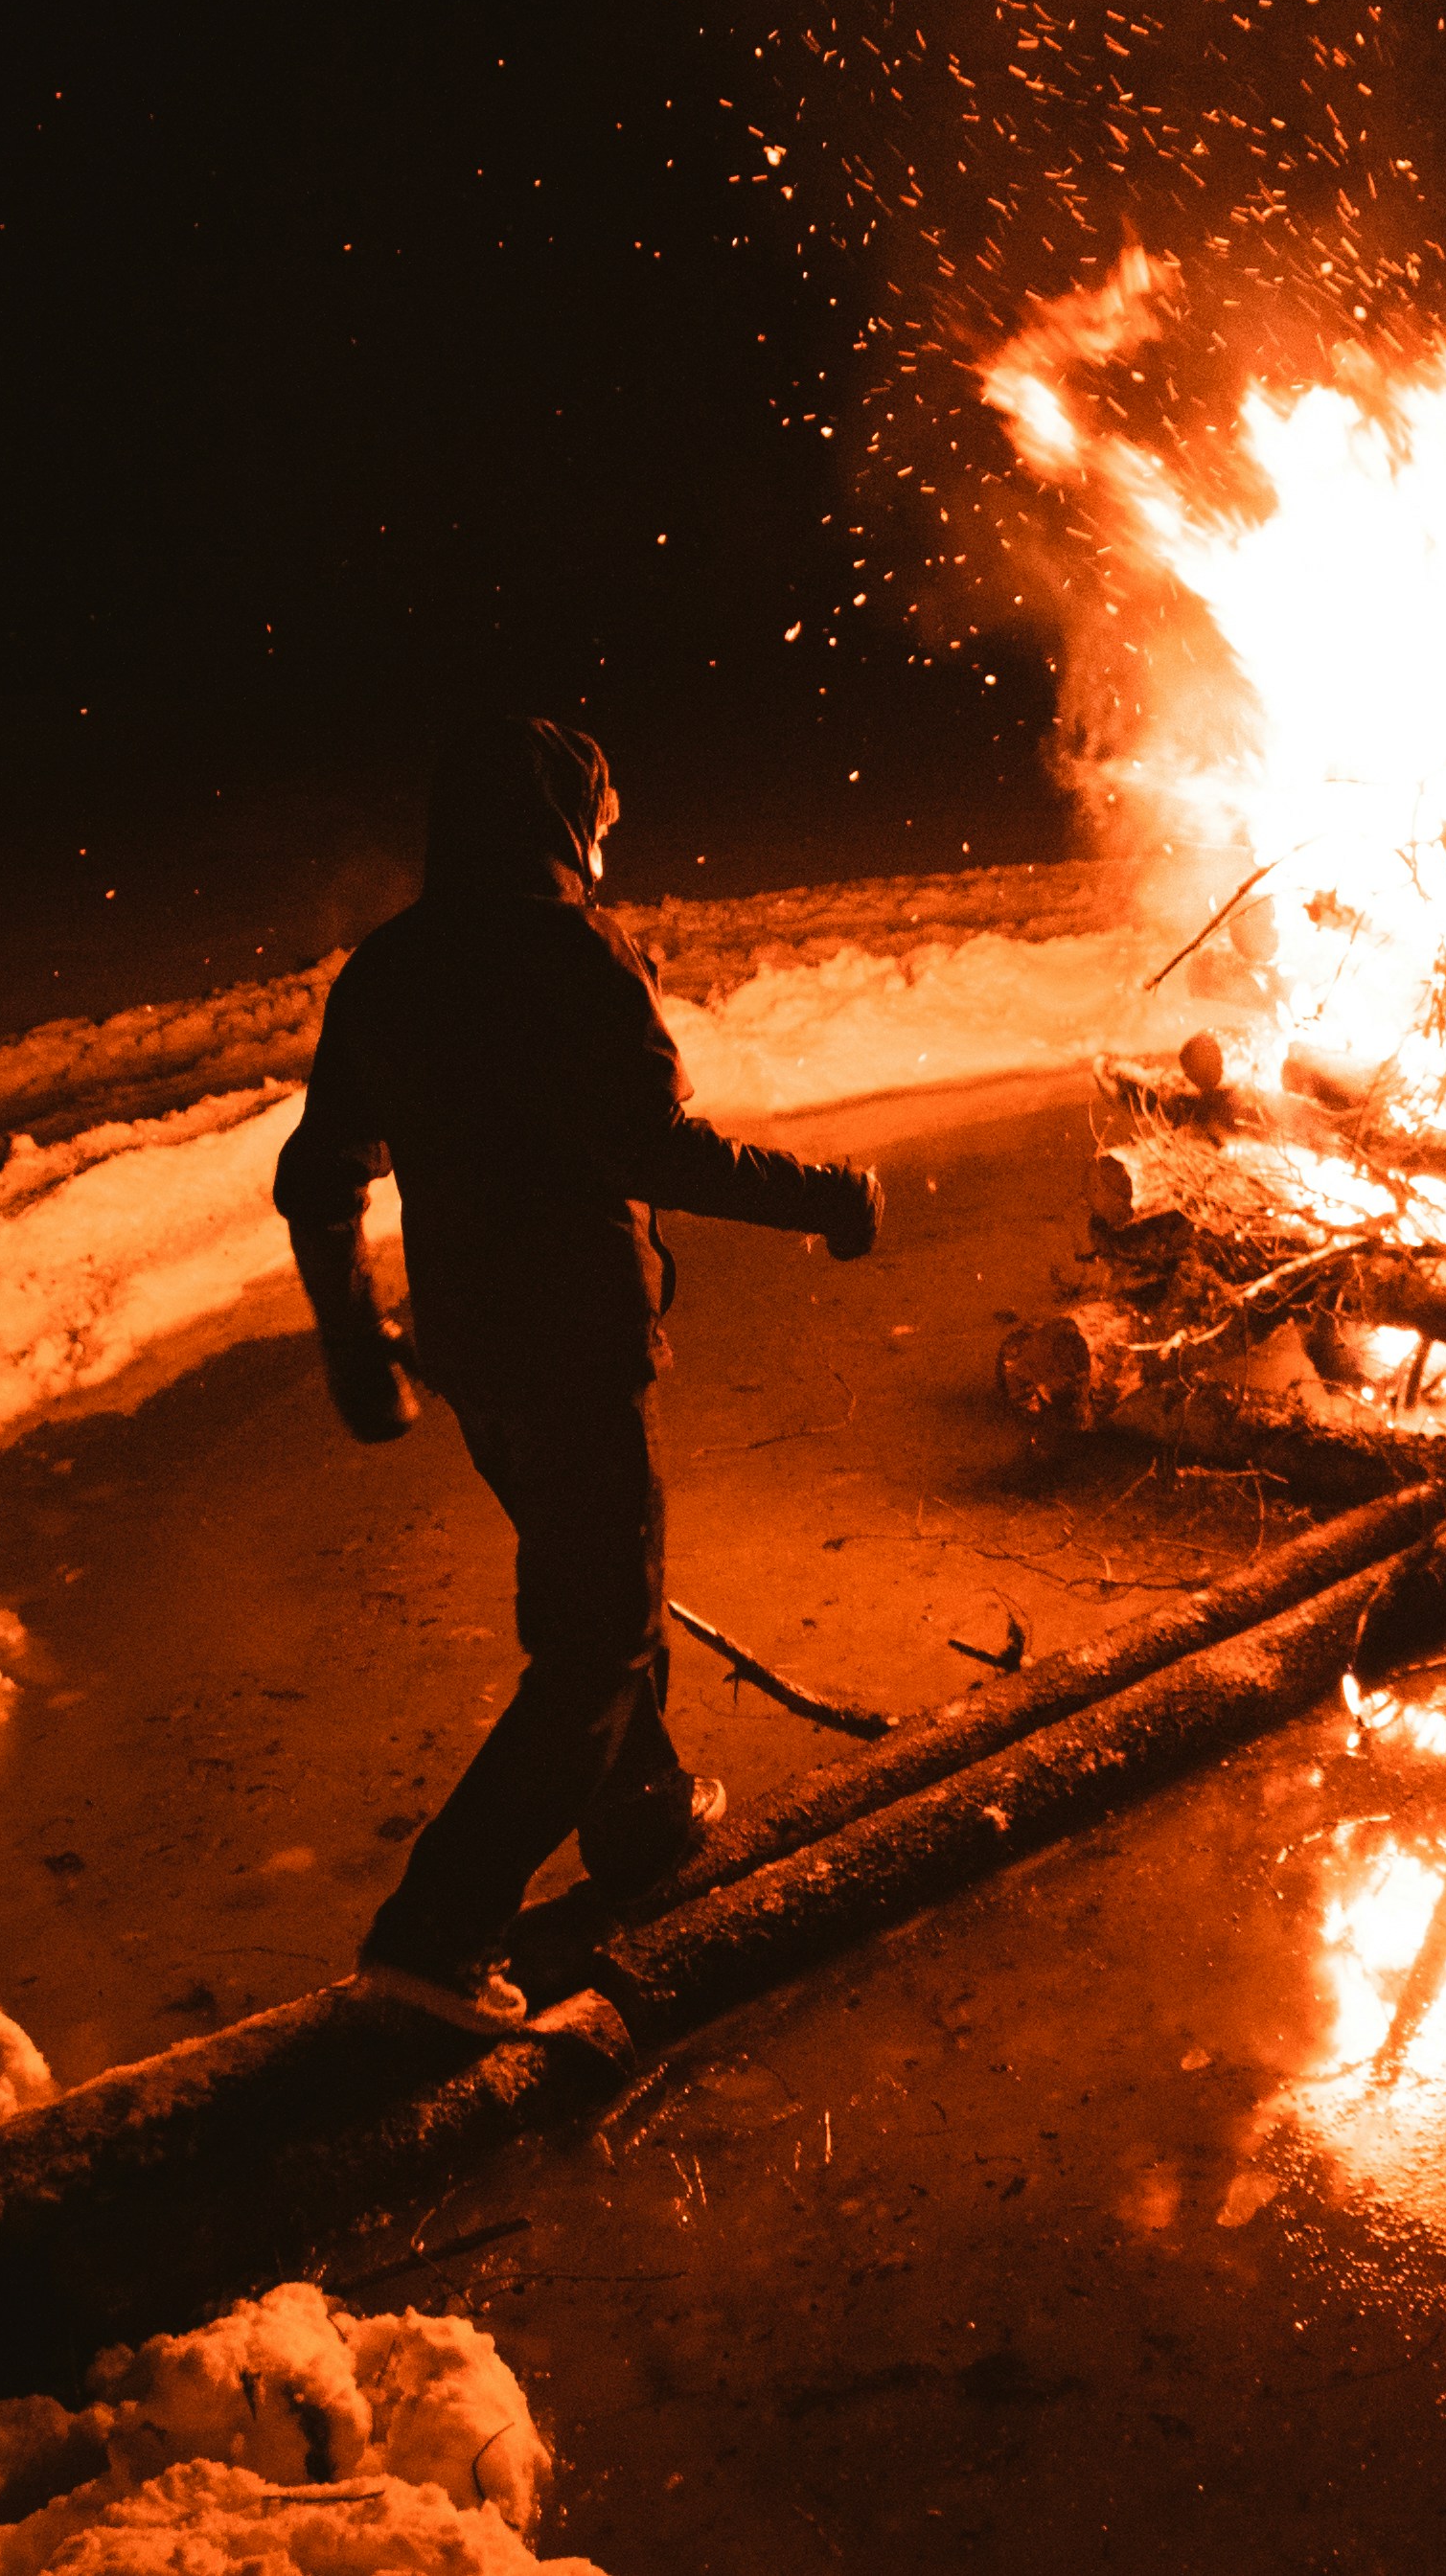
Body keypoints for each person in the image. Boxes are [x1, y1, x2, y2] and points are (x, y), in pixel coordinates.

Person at [273, 715, 883, 2034]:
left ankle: (645, 1817)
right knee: (597, 1643)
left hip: (476, 1353)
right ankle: (438, 1931)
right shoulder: (578, 957)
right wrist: (830, 1198)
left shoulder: (390, 968)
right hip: (573, 1345)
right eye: (600, 821)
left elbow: (319, 1175)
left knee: (595, 1574)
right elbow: (653, 1151)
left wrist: (359, 1346)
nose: (609, 845)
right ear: (560, 818)